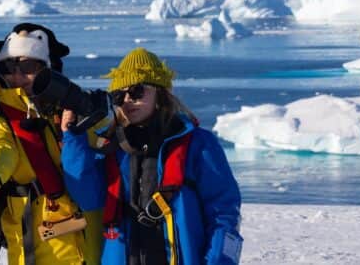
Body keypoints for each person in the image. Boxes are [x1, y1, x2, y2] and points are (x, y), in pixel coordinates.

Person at [61, 48, 243, 265]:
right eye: (119, 95)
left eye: (137, 91)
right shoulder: (112, 147)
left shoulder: (198, 144)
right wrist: (73, 138)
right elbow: (88, 197)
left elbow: (223, 213)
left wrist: (217, 262)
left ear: (160, 92)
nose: (128, 100)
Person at [0, 23, 102, 265]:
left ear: (48, 69)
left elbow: (105, 146)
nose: (17, 76)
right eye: (8, 68)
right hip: (37, 245)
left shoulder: (73, 113)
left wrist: (97, 114)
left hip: (89, 236)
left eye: (28, 66)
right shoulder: (2, 125)